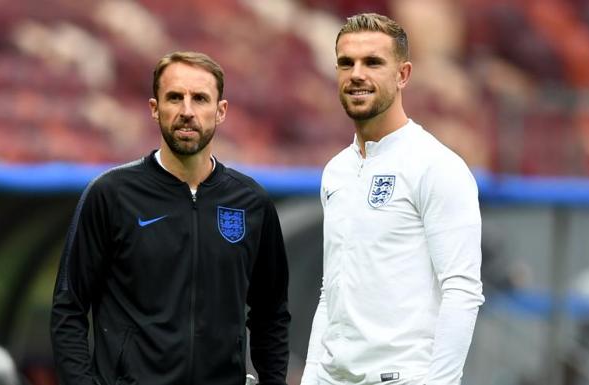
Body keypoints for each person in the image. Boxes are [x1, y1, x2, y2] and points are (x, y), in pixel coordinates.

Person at [51, 51, 291, 385]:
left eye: (200, 99)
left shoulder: (251, 203)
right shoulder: (110, 194)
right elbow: (69, 308)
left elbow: (272, 314)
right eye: (175, 97)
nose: (187, 111)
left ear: (220, 111)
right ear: (154, 108)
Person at [300, 13, 484, 385]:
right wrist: (311, 377)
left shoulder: (436, 166)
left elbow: (462, 291)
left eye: (373, 62)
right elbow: (330, 291)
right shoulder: (335, 171)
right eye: (346, 63)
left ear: (403, 75)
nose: (357, 74)